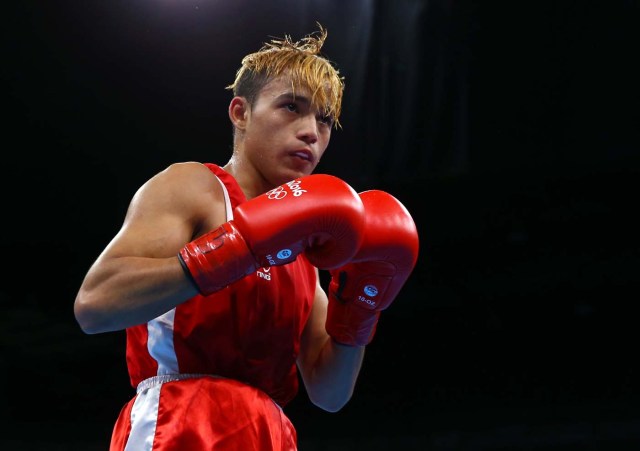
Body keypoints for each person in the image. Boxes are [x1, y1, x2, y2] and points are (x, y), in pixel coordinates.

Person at [74, 24, 419, 450]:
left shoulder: (305, 250)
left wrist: (361, 305)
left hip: (268, 432)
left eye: (324, 120)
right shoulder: (193, 188)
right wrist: (238, 247)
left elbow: (330, 394)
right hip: (179, 421)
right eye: (291, 107)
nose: (311, 131)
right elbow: (94, 306)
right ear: (240, 112)